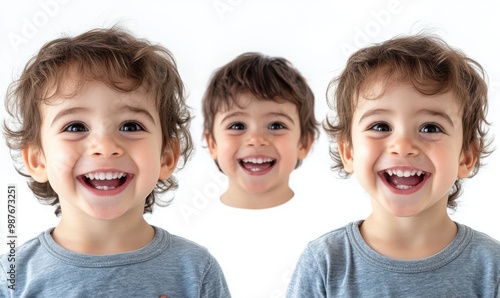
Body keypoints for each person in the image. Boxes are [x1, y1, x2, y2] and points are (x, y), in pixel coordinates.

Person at [0, 27, 231, 297]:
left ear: (166, 157)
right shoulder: (11, 278)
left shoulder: (195, 270)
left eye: (131, 126)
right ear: (37, 159)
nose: (106, 147)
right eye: (75, 127)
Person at [287, 34, 500, 297]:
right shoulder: (325, 263)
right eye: (380, 126)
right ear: (348, 151)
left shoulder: (492, 268)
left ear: (466, 157)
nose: (403, 145)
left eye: (430, 127)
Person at [180, 52, 325, 298]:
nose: (256, 140)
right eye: (237, 126)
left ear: (304, 142)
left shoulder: (324, 230)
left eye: (276, 125)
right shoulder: (186, 229)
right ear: (211, 142)